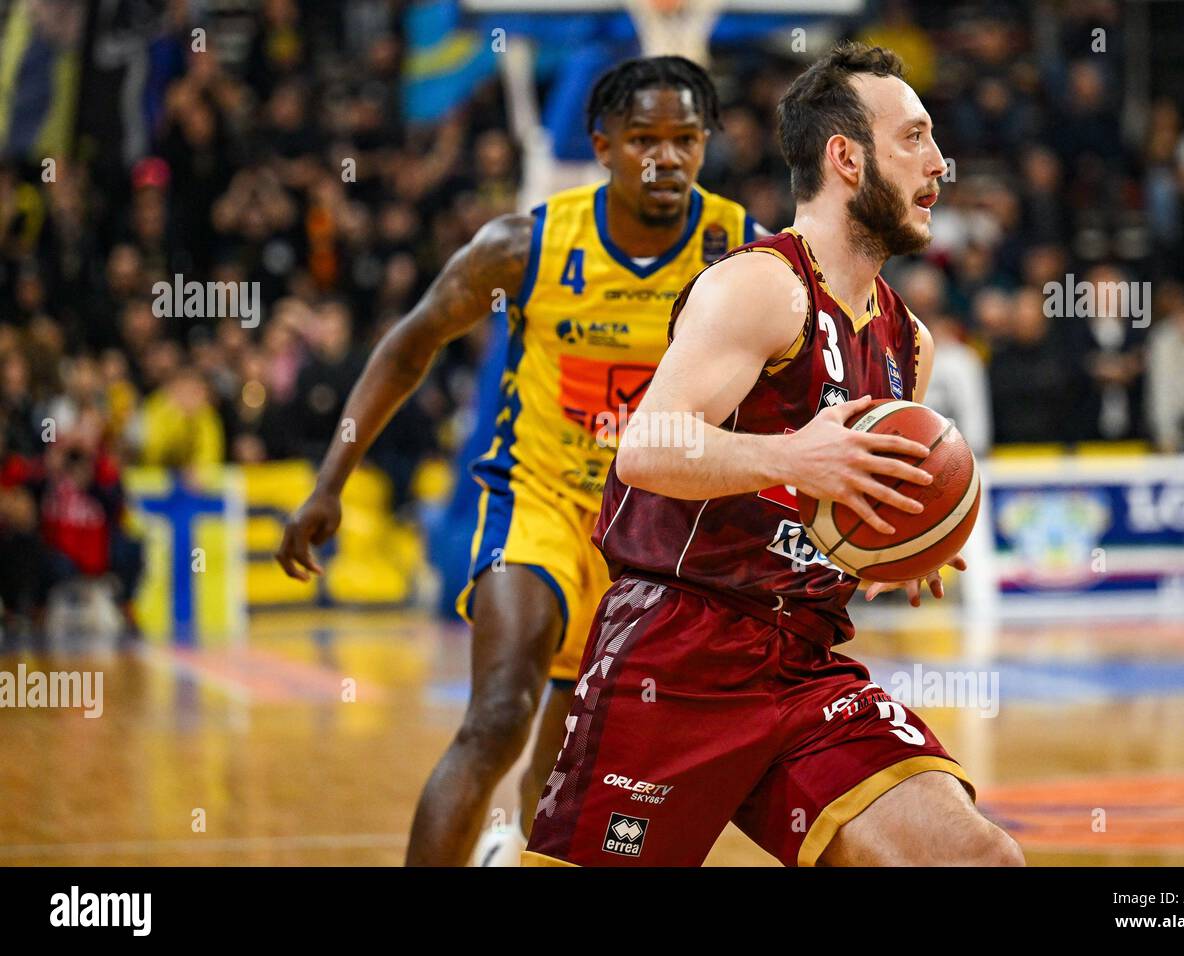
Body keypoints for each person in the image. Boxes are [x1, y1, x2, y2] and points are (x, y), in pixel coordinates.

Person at [524, 43, 1023, 867]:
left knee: (978, 860)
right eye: (915, 139)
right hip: (678, 651)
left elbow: (836, 505)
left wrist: (897, 536)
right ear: (846, 158)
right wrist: (798, 457)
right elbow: (645, 447)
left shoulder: (911, 343)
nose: (940, 164)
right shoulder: (761, 287)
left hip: (804, 663)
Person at [275, 56, 760, 866]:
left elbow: (820, 377)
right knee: (499, 714)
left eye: (685, 138)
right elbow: (409, 345)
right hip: (534, 502)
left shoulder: (739, 252)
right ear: (602, 145)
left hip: (650, 534)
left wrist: (888, 520)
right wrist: (331, 482)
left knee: (577, 759)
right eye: (644, 138)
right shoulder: (527, 245)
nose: (665, 157)